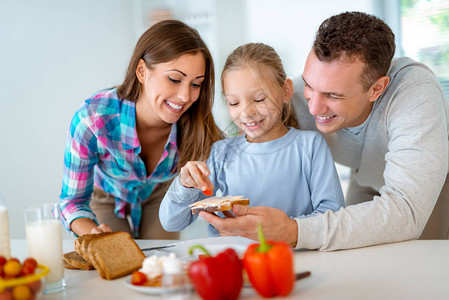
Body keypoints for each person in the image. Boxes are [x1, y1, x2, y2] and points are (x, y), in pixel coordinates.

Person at [199, 11, 449, 251]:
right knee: (354, 257)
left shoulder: (414, 95)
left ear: (376, 89)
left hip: (427, 185)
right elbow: (244, 132)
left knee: (419, 266)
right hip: (365, 176)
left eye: (333, 95)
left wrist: (294, 231)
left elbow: (406, 212)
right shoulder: (292, 95)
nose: (314, 107)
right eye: (309, 85)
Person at [59, 20, 222, 239]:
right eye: (174, 79)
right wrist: (92, 233)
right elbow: (72, 202)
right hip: (107, 195)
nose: (185, 96)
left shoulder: (197, 123)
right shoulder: (93, 118)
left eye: (196, 84)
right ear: (142, 71)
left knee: (160, 262)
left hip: (160, 194)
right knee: (120, 261)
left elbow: (233, 159)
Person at [159, 43, 345, 235]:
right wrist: (184, 185)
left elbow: (332, 216)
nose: (247, 112)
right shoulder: (221, 153)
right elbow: (171, 223)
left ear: (286, 91)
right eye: (234, 102)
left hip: (291, 258)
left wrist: (280, 230)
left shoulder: (310, 146)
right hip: (233, 258)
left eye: (259, 99)